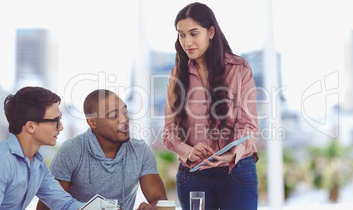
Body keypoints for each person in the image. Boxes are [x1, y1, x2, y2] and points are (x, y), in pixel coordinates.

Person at [163, 2, 259, 210]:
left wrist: (232, 152)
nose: (187, 41)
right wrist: (188, 151)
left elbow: (248, 125)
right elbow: (169, 131)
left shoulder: (239, 69)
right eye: (181, 35)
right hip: (194, 175)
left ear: (211, 32)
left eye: (194, 33)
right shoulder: (176, 75)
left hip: (236, 172)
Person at [36, 89, 167, 210]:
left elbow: (159, 200)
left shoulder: (140, 151)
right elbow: (47, 206)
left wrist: (153, 208)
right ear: (92, 123)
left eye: (125, 112)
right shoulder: (71, 151)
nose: (124, 119)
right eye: (114, 116)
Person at [0, 86, 85, 210]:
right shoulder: (3, 161)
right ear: (31, 127)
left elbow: (65, 204)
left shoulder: (38, 165)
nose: (60, 127)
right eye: (56, 120)